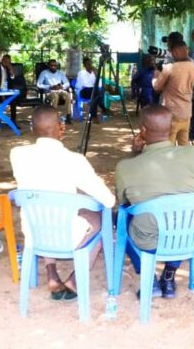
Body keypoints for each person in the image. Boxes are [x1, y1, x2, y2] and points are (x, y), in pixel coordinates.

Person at [115, 105, 194, 298]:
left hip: (149, 241)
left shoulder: (125, 167)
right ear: (171, 128)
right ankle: (169, 276)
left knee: (120, 218)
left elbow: (124, 203)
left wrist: (135, 154)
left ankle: (149, 278)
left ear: (143, 131)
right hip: (190, 238)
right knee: (183, 218)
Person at [10, 106, 115, 300]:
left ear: (33, 128)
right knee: (100, 220)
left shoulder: (17, 154)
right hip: (67, 234)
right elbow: (108, 200)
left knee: (44, 211)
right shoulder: (75, 160)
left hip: (34, 231)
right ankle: (74, 281)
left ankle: (51, 274)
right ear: (62, 127)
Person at [152, 41, 194, 145]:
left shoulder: (170, 68)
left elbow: (156, 87)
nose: (171, 55)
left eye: (172, 52)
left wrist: (156, 76)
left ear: (176, 52)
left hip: (172, 114)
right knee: (184, 147)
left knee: (169, 147)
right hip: (186, 113)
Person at [36, 59, 72, 124]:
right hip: (49, 92)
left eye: (55, 65)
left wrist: (62, 86)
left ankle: (67, 116)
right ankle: (53, 117)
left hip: (60, 90)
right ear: (48, 66)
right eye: (51, 65)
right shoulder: (44, 73)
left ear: (57, 66)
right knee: (55, 96)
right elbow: (39, 84)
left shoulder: (60, 73)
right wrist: (49, 86)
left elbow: (67, 83)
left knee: (67, 95)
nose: (53, 67)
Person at [75, 57, 108, 121]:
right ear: (84, 65)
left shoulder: (94, 73)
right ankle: (99, 110)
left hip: (93, 90)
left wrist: (96, 74)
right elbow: (85, 84)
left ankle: (93, 115)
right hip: (84, 90)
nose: (90, 66)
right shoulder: (81, 73)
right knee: (97, 93)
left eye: (91, 64)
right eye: (88, 64)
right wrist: (94, 84)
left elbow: (100, 84)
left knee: (97, 94)